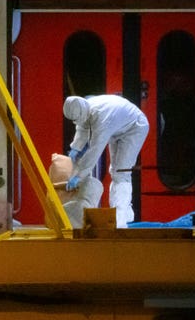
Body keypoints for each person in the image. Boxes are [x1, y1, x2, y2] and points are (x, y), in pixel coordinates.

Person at [63, 95, 149, 228]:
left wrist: (77, 177)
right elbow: (83, 127)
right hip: (119, 127)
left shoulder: (101, 116)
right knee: (115, 170)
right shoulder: (85, 108)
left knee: (120, 172)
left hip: (135, 127)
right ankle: (124, 212)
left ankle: (120, 220)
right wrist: (75, 147)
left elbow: (94, 151)